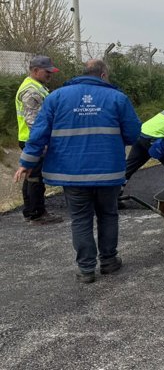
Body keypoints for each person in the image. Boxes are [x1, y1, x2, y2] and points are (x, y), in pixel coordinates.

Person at [14, 60, 141, 283]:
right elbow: (132, 134)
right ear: (103, 75)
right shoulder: (117, 98)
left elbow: (39, 133)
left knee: (81, 219)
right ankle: (109, 261)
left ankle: (86, 270)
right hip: (108, 171)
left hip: (71, 173)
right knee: (108, 214)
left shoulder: (56, 97)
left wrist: (26, 161)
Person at [14, 55, 63, 224]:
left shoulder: (37, 86)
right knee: (36, 177)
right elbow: (33, 121)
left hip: (31, 139)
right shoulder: (31, 91)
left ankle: (31, 211)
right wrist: (43, 143)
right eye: (47, 71)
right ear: (35, 70)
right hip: (33, 140)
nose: (50, 74)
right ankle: (36, 213)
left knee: (31, 175)